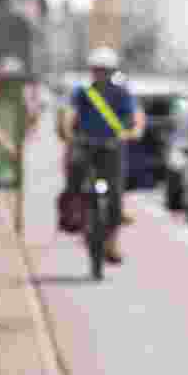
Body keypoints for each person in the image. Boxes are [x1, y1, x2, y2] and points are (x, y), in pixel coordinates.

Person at [61, 47, 145, 263]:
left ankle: (112, 245)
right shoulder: (82, 92)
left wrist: (135, 130)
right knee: (74, 176)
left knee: (115, 193)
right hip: (85, 145)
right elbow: (70, 114)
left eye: (106, 70)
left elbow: (136, 114)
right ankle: (74, 212)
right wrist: (69, 132)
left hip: (112, 147)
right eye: (97, 70)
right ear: (91, 71)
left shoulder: (121, 93)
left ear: (112, 71)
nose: (101, 74)